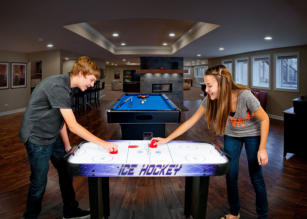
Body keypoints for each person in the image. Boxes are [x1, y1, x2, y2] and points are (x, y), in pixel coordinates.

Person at [153, 65, 269, 219]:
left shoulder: (245, 96)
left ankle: (263, 215)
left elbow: (265, 118)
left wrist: (262, 148)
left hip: (253, 135)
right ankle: (234, 213)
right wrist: (167, 139)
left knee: (256, 175)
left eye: (209, 85)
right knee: (230, 174)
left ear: (223, 84)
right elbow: (191, 121)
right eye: (205, 85)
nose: (206, 89)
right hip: (232, 135)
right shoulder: (211, 100)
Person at [19, 56, 118, 219]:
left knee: (66, 171)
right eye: (91, 80)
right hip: (36, 137)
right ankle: (30, 216)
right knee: (39, 182)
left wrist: (66, 145)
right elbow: (73, 125)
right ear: (80, 73)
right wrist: (103, 144)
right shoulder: (58, 86)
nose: (93, 84)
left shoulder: (68, 87)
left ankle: (70, 211)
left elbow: (61, 119)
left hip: (52, 133)